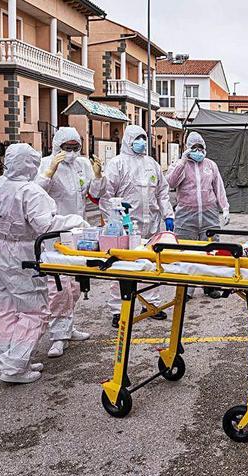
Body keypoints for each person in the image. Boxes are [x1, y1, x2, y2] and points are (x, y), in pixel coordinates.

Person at [0, 144, 89, 383]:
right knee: (33, 310)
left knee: (8, 307)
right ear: (29, 164)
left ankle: (9, 357)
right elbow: (46, 225)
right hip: (21, 253)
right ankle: (15, 367)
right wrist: (75, 222)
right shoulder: (30, 192)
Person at [35, 127, 103, 358]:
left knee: (74, 285)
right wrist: (50, 172)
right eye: (67, 147)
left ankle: (68, 327)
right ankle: (57, 336)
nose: (72, 152)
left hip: (78, 232)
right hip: (54, 232)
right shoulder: (46, 164)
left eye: (76, 147)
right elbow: (36, 194)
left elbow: (93, 195)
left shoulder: (81, 165)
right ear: (57, 146)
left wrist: (98, 176)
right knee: (58, 287)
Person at [100, 125, 175, 327]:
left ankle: (151, 304)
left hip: (151, 224)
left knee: (151, 264)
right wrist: (114, 220)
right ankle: (119, 310)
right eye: (137, 138)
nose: (141, 141)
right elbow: (106, 195)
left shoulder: (152, 164)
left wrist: (168, 214)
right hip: (125, 227)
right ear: (128, 140)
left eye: (144, 137)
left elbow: (162, 192)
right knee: (123, 266)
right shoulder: (117, 164)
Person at [166, 132, 229, 298]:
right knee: (186, 252)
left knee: (211, 251)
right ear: (187, 149)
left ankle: (210, 286)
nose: (198, 151)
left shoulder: (210, 165)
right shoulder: (180, 165)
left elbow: (219, 187)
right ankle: (186, 289)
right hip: (186, 216)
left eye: (201, 148)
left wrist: (225, 207)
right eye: (194, 148)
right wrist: (182, 162)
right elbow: (170, 183)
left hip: (209, 214)